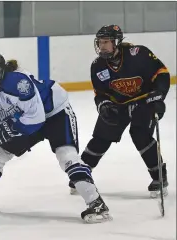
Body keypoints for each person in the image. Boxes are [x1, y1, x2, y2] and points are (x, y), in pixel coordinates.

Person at [0, 52, 112, 223]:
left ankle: (97, 203)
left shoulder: (17, 82)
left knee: (67, 156)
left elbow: (36, 118)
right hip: (24, 120)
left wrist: (10, 127)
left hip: (55, 113)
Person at [68, 25, 170, 198]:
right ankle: (81, 176)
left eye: (106, 42)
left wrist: (159, 95)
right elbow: (100, 94)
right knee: (100, 138)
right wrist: (104, 105)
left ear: (116, 42)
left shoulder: (138, 54)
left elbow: (161, 73)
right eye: (100, 42)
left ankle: (159, 177)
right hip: (118, 105)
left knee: (141, 135)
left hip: (144, 101)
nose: (102, 46)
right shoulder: (98, 66)